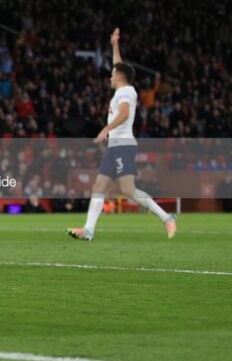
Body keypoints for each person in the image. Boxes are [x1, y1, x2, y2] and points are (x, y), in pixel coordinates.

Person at [68, 28, 176, 241]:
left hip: (122, 145)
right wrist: (115, 44)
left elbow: (125, 113)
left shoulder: (126, 92)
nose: (110, 76)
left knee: (128, 189)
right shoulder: (123, 89)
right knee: (99, 186)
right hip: (115, 146)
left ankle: (167, 217)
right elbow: (119, 65)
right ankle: (88, 230)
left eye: (112, 74)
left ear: (118, 77)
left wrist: (105, 129)